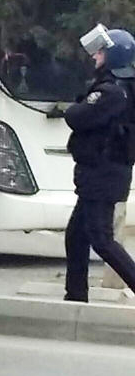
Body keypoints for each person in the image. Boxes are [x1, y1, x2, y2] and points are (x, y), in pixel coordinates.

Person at [64, 25, 135, 302]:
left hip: (103, 173)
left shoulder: (113, 92)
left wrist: (75, 108)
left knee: (101, 239)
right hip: (101, 173)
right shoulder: (119, 87)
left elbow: (77, 117)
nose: (95, 56)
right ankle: (75, 296)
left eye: (101, 52)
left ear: (113, 56)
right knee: (76, 236)